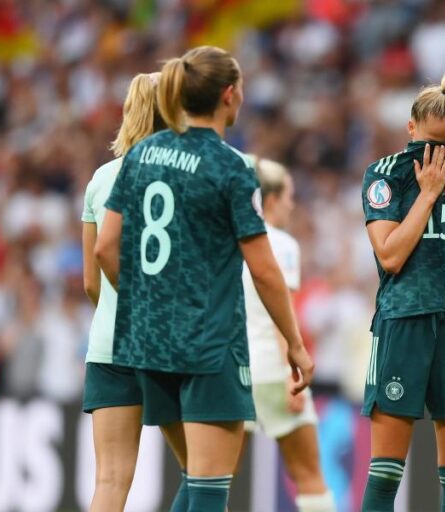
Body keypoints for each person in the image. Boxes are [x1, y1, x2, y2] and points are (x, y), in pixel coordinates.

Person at [93, 46, 314, 512]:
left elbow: (104, 248)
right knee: (211, 488)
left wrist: (145, 301)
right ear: (229, 95)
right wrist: (293, 342)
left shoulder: (143, 154)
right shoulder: (230, 166)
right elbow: (263, 266)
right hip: (209, 342)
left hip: (150, 344)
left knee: (195, 480)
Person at [360, 74, 445, 512]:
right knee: (385, 475)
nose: (437, 157)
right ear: (410, 129)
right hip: (404, 321)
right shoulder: (384, 175)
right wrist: (427, 193)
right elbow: (391, 256)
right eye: (428, 144)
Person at [81, 72, 180, 511]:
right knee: (205, 476)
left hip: (108, 343)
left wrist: (121, 314)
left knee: (110, 479)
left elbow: (90, 281)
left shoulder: (101, 179)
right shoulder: (184, 174)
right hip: (168, 343)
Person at [239, 156, 335, 512]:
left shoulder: (229, 239)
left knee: (212, 479)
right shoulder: (281, 244)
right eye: (290, 196)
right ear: (272, 199)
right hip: (274, 370)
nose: (293, 205)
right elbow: (282, 314)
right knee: (309, 475)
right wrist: (289, 373)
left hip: (233, 371)